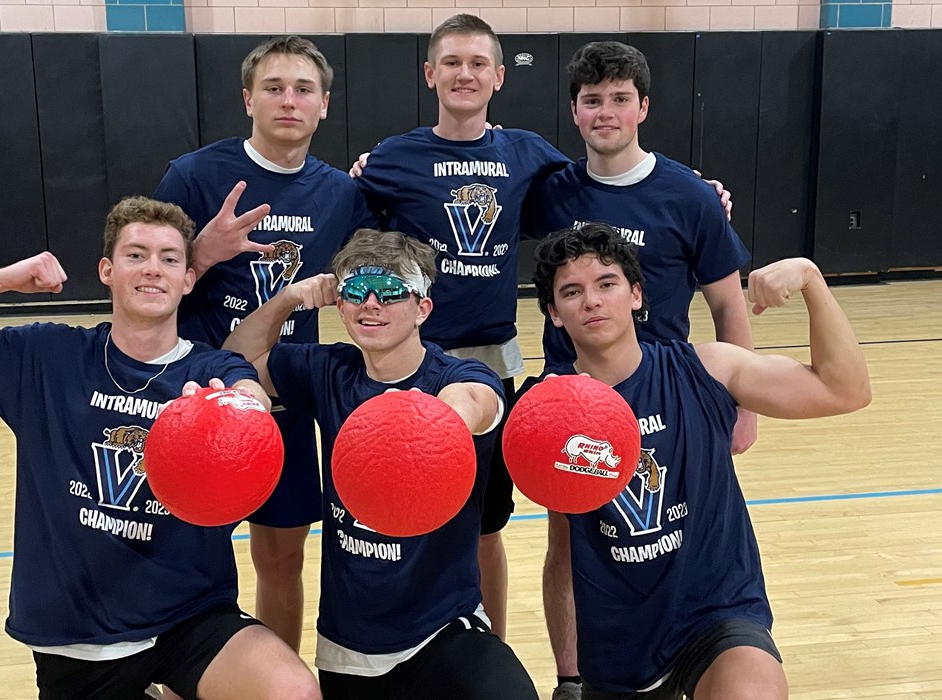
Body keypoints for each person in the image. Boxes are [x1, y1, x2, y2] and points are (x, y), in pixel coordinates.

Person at [0, 197, 320, 700]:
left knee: (293, 691)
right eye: (136, 255)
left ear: (188, 279)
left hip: (190, 613)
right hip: (79, 630)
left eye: (169, 258)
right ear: (107, 270)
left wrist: (237, 410)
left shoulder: (209, 368)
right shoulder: (47, 355)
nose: (153, 269)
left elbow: (249, 394)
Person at [531, 223, 871, 699]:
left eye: (607, 284)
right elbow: (561, 552)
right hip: (619, 645)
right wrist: (569, 678)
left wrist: (812, 280)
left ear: (636, 295)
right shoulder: (546, 411)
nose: (591, 301)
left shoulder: (705, 369)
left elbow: (845, 390)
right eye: (572, 292)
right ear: (554, 313)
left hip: (716, 616)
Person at [526, 41, 759, 700]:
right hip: (575, 403)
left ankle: (690, 650)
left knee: (674, 532)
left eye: (620, 99)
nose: (606, 112)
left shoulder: (689, 195)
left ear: (644, 107)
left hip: (672, 399)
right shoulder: (552, 191)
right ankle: (573, 678)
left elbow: (728, 304)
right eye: (592, 100)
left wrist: (745, 409)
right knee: (570, 544)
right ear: (575, 111)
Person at [222, 229, 538, 699]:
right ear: (340, 305)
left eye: (389, 292)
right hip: (349, 649)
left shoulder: (458, 375)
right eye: (356, 292)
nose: (371, 304)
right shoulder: (330, 370)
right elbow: (236, 357)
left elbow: (476, 401)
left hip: (443, 631)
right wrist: (290, 298)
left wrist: (434, 424)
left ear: (422, 309)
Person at [352, 13, 572, 640]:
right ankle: (402, 640)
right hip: (411, 366)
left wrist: (699, 189)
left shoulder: (525, 151)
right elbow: (352, 221)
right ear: (430, 74)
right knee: (403, 517)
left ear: (499, 77)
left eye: (478, 63)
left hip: (492, 368)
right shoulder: (393, 158)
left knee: (483, 527)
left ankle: (490, 646)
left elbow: (605, 186)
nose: (464, 74)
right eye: (451, 62)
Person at [154, 35, 374, 651]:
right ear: (248, 99)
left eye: (304, 90)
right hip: (197, 395)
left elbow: (374, 272)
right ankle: (178, 676)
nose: (288, 101)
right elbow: (142, 281)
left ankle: (274, 676)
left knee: (281, 557)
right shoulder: (193, 175)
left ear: (324, 104)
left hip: (284, 395)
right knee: (186, 550)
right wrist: (201, 253)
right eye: (274, 88)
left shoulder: (342, 194)